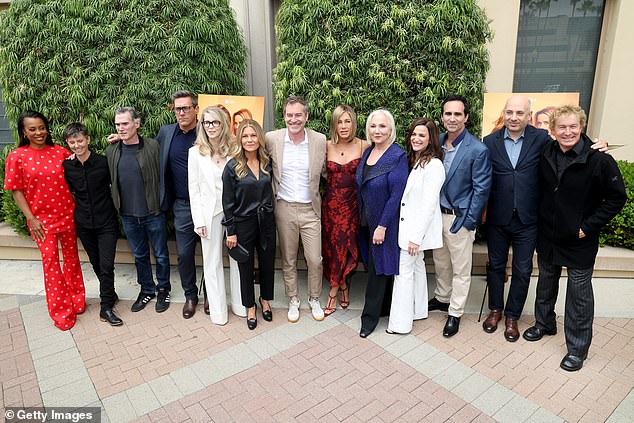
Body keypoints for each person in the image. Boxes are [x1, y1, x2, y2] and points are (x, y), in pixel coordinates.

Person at [483, 95, 608, 342]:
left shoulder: (541, 139)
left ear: (529, 115)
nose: (514, 117)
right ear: (504, 113)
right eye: (509, 112)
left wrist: (599, 144)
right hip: (498, 218)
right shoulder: (489, 141)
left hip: (529, 221)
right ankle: (495, 310)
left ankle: (512, 316)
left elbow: (571, 142)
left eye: (520, 113)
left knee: (522, 269)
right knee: (496, 267)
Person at [523, 105, 626, 372]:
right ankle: (544, 323)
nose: (568, 132)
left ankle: (577, 349)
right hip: (548, 235)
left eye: (573, 127)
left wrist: (588, 226)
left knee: (579, 296)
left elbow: (616, 198)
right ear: (553, 130)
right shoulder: (546, 151)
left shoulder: (599, 160)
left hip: (580, 239)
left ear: (582, 127)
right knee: (545, 284)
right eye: (562, 127)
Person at [4, 111, 85, 330]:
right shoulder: (17, 156)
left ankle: (77, 301)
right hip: (41, 222)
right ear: (24, 132)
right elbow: (16, 191)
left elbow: (82, 160)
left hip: (67, 215)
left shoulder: (59, 152)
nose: (38, 132)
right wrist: (31, 218)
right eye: (32, 129)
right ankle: (61, 312)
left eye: (41, 127)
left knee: (72, 260)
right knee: (50, 265)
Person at [429, 94, 492, 338]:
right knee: (441, 263)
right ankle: (443, 299)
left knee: (461, 270)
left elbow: (481, 189)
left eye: (457, 114)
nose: (452, 118)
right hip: (437, 217)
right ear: (442, 116)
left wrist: (467, 221)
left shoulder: (477, 149)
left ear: (466, 117)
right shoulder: (436, 143)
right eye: (448, 113)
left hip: (459, 219)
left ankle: (455, 313)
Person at [265, 96, 327, 322]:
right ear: (284, 117)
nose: (294, 119)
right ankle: (293, 299)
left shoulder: (319, 140)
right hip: (284, 208)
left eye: (298, 115)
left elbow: (330, 171)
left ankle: (314, 298)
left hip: (311, 209)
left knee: (315, 259)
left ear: (306, 116)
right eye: (290, 115)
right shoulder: (272, 139)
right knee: (289, 258)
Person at [106, 107, 171, 313]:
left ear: (137, 124)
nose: (121, 128)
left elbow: (167, 171)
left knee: (160, 255)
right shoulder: (112, 151)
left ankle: (163, 289)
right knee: (140, 255)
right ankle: (147, 290)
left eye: (125, 123)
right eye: (118, 124)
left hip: (153, 213)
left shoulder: (153, 146)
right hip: (128, 215)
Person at [188, 106, 245, 325]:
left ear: (223, 124)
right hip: (208, 213)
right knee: (211, 263)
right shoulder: (195, 152)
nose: (210, 127)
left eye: (215, 122)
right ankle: (219, 312)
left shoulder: (235, 148)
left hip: (234, 212)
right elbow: (194, 190)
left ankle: (241, 305)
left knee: (238, 260)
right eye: (206, 123)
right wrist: (198, 221)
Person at [387, 118, 445, 335]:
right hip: (410, 229)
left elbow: (429, 205)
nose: (416, 138)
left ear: (431, 139)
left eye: (422, 135)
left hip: (414, 232)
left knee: (403, 274)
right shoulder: (416, 160)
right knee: (418, 266)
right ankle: (419, 310)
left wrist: (415, 237)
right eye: (414, 134)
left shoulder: (434, 165)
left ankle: (400, 324)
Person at [355, 109, 408, 338]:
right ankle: (385, 309)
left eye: (382, 126)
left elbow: (397, 195)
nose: (377, 130)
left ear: (391, 129)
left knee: (378, 271)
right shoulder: (368, 153)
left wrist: (383, 226)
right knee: (375, 265)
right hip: (366, 219)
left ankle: (368, 320)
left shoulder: (397, 156)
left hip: (384, 223)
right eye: (373, 126)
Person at [63, 123, 122, 326]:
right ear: (68, 144)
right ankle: (110, 294)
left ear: (88, 140)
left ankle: (105, 307)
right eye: (73, 142)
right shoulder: (67, 166)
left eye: (80, 140)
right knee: (97, 264)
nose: (77, 145)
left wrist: (119, 139)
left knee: (106, 265)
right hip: (84, 224)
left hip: (107, 222)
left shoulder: (103, 162)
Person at [222, 120, 276, 330]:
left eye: (253, 135)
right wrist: (231, 231)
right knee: (245, 266)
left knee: (267, 263)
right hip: (243, 223)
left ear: (259, 138)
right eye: (245, 136)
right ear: (239, 139)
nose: (250, 140)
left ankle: (265, 300)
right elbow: (227, 202)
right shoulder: (232, 166)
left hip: (266, 221)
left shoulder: (266, 162)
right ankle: (250, 306)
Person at [155, 90, 201, 319]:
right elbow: (148, 152)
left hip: (208, 204)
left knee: (212, 253)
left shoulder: (208, 130)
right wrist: (121, 140)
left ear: (196, 109)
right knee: (184, 254)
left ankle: (212, 296)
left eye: (185, 108)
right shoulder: (166, 132)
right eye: (177, 109)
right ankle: (191, 295)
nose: (181, 112)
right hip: (182, 206)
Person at [321, 105, 370, 316]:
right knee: (332, 248)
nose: (343, 125)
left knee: (346, 246)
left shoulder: (365, 146)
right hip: (330, 206)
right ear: (334, 124)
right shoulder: (325, 146)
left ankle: (333, 290)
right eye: (339, 121)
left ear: (354, 123)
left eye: (347, 121)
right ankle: (343, 286)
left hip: (352, 206)